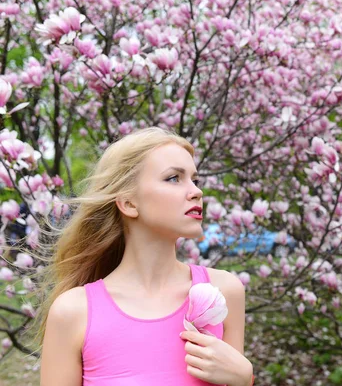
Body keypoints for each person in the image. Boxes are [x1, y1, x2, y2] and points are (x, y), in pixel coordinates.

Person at [35, 127, 254, 385]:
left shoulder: (224, 291)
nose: (196, 191)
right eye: (174, 178)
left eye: (195, 180)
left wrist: (244, 378)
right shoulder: (73, 312)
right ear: (128, 203)